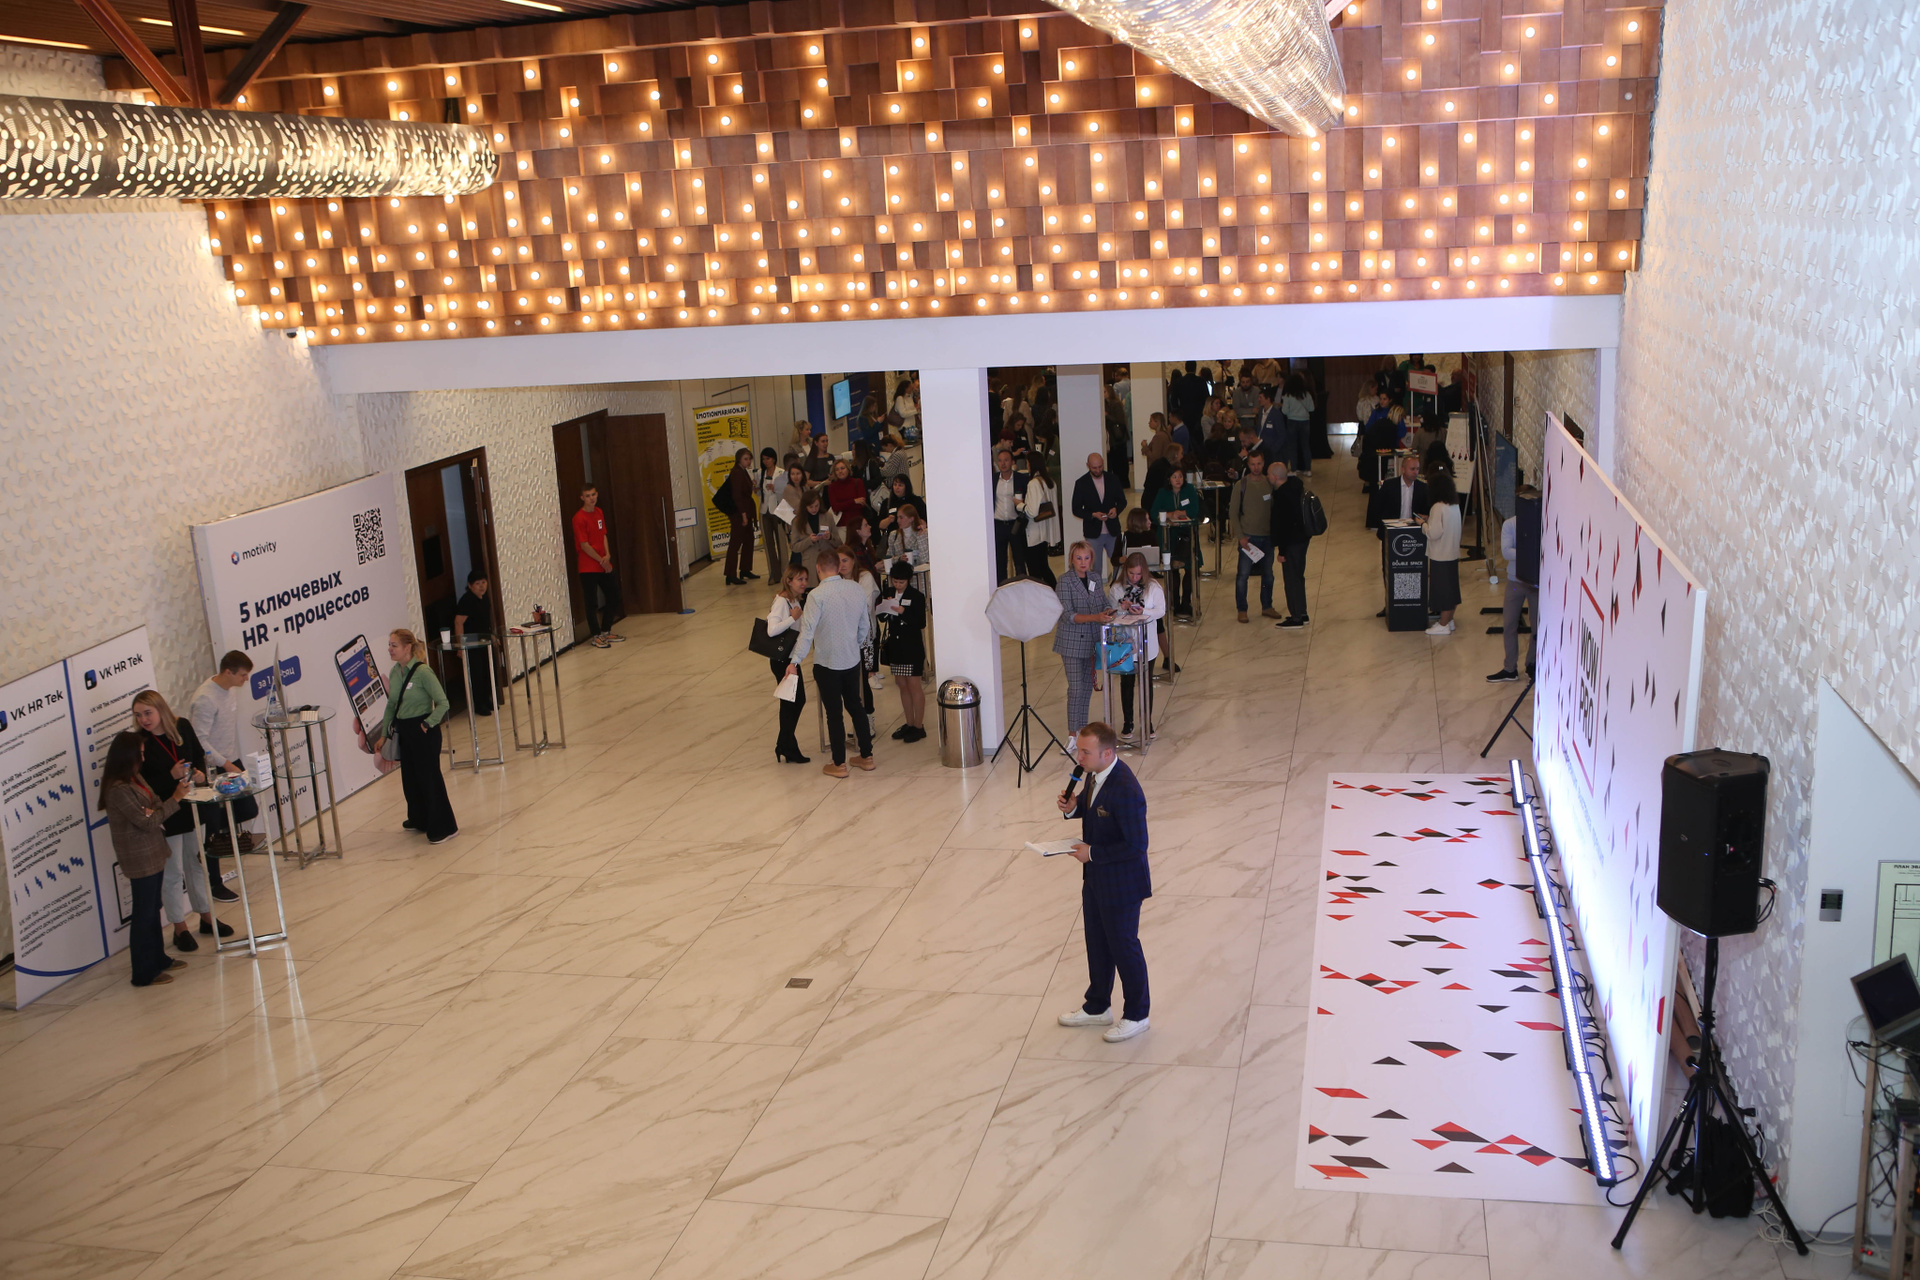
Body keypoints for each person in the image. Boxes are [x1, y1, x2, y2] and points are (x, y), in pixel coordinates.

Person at [1054, 722, 1151, 1043]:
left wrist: (1092, 853)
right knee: (1096, 942)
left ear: (1107, 753)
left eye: (1085, 752)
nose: (1079, 757)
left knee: (1123, 946)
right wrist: (1073, 808)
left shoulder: (1126, 789)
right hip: (1096, 878)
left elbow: (1137, 845)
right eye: (1079, 751)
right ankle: (1097, 1006)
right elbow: (1091, 806)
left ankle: (1137, 1014)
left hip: (1122, 884)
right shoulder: (1095, 774)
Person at [131, 689, 233, 953]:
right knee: (174, 872)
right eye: (138, 715)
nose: (143, 720)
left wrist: (199, 774)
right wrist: (170, 775)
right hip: (168, 813)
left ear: (161, 709)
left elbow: (198, 756)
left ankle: (206, 916)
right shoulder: (140, 743)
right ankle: (179, 927)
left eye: (147, 713)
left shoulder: (182, 727)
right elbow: (142, 786)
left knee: (197, 864)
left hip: (193, 807)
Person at [101, 731, 188, 987]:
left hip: (153, 850)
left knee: (153, 909)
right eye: (140, 753)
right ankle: (143, 972)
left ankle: (158, 958)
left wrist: (155, 810)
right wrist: (175, 799)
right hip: (139, 858)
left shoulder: (135, 777)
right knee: (144, 913)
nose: (143, 758)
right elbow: (147, 820)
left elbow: (155, 803)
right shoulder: (118, 790)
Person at [786, 551, 875, 778]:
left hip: (827, 662)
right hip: (851, 659)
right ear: (838, 566)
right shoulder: (856, 588)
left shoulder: (816, 595)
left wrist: (795, 661)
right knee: (856, 706)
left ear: (818, 569)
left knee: (834, 713)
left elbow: (807, 633)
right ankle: (867, 756)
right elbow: (865, 625)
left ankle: (839, 763)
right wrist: (853, 644)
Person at [377, 628, 457, 843]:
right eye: (389, 645)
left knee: (429, 779)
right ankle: (419, 818)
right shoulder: (395, 672)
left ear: (408, 648)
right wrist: (383, 735)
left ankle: (445, 827)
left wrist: (427, 723)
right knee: (410, 778)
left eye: (394, 645)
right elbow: (391, 705)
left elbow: (443, 703)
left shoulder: (423, 672)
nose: (390, 649)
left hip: (423, 730)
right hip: (405, 731)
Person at [187, 650, 260, 865]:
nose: (246, 679)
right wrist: (226, 764)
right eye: (243, 675)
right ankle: (212, 847)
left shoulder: (230, 690)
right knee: (214, 818)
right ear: (228, 672)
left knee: (248, 808)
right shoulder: (205, 699)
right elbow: (200, 740)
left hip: (230, 758)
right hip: (213, 765)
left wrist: (231, 761)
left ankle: (224, 836)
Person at [1052, 541, 1112, 736]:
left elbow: (1104, 603)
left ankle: (1082, 728)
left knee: (1086, 687)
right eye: (1079, 558)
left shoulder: (1095, 578)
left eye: (1086, 558)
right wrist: (1096, 617)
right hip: (1071, 643)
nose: (1083, 562)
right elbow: (1067, 615)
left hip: (1091, 641)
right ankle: (1072, 733)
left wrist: (1111, 610)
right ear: (1071, 559)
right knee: (1076, 688)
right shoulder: (1064, 581)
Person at [1107, 553, 1165, 744]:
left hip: (1147, 642)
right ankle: (1128, 722)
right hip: (1126, 642)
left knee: (1146, 682)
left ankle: (1147, 722)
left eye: (1138, 574)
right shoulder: (1116, 588)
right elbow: (1111, 613)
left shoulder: (1153, 587)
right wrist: (1122, 608)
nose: (1134, 577)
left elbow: (1160, 610)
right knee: (1126, 682)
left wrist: (1143, 611)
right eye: (1131, 573)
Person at [1489, 484, 1542, 683]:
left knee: (1537, 627)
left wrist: (1526, 553)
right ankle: (1509, 668)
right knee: (1509, 624)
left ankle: (1532, 664)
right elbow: (1506, 552)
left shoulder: (1541, 523)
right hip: (1514, 581)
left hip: (1536, 584)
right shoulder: (1510, 524)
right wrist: (1531, 553)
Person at [877, 561, 928, 742]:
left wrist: (902, 611)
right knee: (902, 685)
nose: (898, 585)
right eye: (895, 581)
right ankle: (909, 722)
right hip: (896, 647)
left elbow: (921, 622)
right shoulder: (889, 592)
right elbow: (882, 616)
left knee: (914, 686)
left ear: (908, 580)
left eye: (901, 582)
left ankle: (919, 726)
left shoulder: (916, 596)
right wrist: (885, 608)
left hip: (911, 647)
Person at [767, 566, 811, 763]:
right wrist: (792, 618)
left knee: (792, 702)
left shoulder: (794, 600)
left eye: (805, 579)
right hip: (782, 660)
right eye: (799, 579)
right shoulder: (781, 601)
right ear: (789, 581)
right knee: (794, 701)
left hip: (790, 658)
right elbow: (771, 630)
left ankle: (785, 744)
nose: (804, 583)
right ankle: (785, 744)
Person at [1150, 465, 1202, 618]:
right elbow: (1154, 513)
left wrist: (1180, 513)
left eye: (1180, 476)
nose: (1178, 479)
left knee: (1190, 567)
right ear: (1169, 479)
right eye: (1174, 477)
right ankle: (1174, 603)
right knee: (1172, 569)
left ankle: (1186, 602)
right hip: (1168, 535)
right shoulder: (1162, 492)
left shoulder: (1189, 490)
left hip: (1187, 535)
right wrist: (1171, 514)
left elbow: (1194, 510)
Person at [573, 486, 623, 648]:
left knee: (614, 595)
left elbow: (603, 535)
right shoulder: (579, 518)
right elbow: (584, 545)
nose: (591, 498)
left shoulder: (599, 512)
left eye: (593, 494)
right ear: (582, 498)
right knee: (592, 603)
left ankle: (606, 630)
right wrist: (601, 560)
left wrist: (607, 555)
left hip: (603, 563)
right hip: (588, 567)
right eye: (587, 496)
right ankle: (596, 636)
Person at [1230, 452, 1277, 623]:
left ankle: (1267, 606)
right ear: (1248, 465)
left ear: (1264, 463)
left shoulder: (1270, 484)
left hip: (1267, 537)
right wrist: (1241, 537)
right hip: (1248, 539)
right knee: (1243, 575)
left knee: (1268, 574)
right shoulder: (1241, 485)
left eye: (1259, 463)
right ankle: (1242, 609)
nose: (1256, 467)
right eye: (1252, 464)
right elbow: (1233, 513)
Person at [1270, 459, 1312, 628]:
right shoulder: (1296, 487)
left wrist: (1282, 552)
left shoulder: (1282, 496)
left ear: (1274, 477)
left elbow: (1284, 526)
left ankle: (1296, 617)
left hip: (1291, 544)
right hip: (1302, 540)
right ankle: (1302, 612)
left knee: (1291, 580)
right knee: (1298, 577)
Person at [1422, 472, 1463, 635]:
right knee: (1452, 589)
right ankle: (1449, 620)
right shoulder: (1454, 505)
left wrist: (1423, 524)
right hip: (1452, 553)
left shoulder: (1437, 507)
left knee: (1443, 591)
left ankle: (1443, 624)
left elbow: (1434, 533)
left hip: (1440, 555)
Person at [1072, 452, 1122, 582]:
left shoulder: (1113, 479)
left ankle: (1117, 589)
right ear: (1088, 465)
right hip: (1093, 532)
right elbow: (1076, 509)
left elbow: (1122, 501)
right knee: (1095, 569)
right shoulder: (1081, 483)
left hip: (1112, 530)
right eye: (1094, 468)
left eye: (1100, 467)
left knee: (1119, 564)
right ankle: (1095, 592)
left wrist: (1116, 510)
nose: (1098, 470)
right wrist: (1093, 515)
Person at [451, 569, 495, 716]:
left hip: (484, 641)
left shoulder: (485, 597)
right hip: (471, 643)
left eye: (483, 582)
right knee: (477, 674)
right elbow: (458, 622)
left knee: (487, 671)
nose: (482, 586)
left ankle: (487, 699)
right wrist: (460, 646)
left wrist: (492, 635)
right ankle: (479, 704)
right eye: (477, 583)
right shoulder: (467, 600)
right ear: (470, 585)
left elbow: (485, 621)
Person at [723, 448, 759, 585]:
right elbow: (737, 496)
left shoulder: (743, 471)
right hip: (739, 513)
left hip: (745, 511)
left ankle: (745, 569)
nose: (748, 461)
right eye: (745, 459)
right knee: (736, 542)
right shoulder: (737, 473)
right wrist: (743, 515)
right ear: (739, 459)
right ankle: (730, 574)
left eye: (749, 459)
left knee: (749, 539)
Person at [992, 448, 1028, 584]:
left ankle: (1021, 587)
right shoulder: (993, 479)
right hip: (998, 524)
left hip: (1016, 524)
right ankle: (1002, 587)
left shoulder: (1021, 479)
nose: (1003, 463)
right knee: (999, 561)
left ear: (1012, 461)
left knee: (1019, 560)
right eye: (1000, 461)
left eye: (1006, 460)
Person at [1021, 468, 1061, 587]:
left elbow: (1032, 512)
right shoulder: (1049, 482)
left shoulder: (1034, 483)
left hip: (1033, 532)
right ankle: (1055, 592)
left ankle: (1040, 595)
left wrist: (1019, 505)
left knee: (1034, 570)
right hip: (1044, 531)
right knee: (1044, 566)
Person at [791, 488, 840, 584]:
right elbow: (794, 547)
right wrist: (809, 540)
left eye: (816, 506)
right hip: (810, 564)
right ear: (805, 506)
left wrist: (830, 537)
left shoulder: (828, 516)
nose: (814, 509)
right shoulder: (797, 522)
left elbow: (838, 541)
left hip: (828, 562)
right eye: (811, 507)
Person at [759, 447, 792, 573]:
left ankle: (784, 570)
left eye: (767, 459)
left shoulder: (781, 473)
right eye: (763, 459)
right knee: (768, 543)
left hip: (778, 510)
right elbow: (760, 493)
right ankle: (773, 572)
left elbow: (787, 491)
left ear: (773, 459)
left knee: (781, 542)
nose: (765, 461)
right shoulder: (761, 473)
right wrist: (756, 489)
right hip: (764, 510)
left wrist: (775, 488)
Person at [1280, 372, 1315, 476]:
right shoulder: (1307, 394)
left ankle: (1294, 470)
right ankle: (1308, 470)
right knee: (1305, 446)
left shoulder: (1288, 396)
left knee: (1292, 447)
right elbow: (1311, 408)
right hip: (1305, 422)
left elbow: (1284, 411)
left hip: (1292, 422)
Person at [825, 456, 868, 529]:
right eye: (837, 469)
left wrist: (842, 505)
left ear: (848, 469)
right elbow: (835, 507)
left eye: (842, 468)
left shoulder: (858, 482)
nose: (840, 471)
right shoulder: (832, 487)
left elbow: (861, 504)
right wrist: (854, 501)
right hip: (841, 525)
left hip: (858, 524)